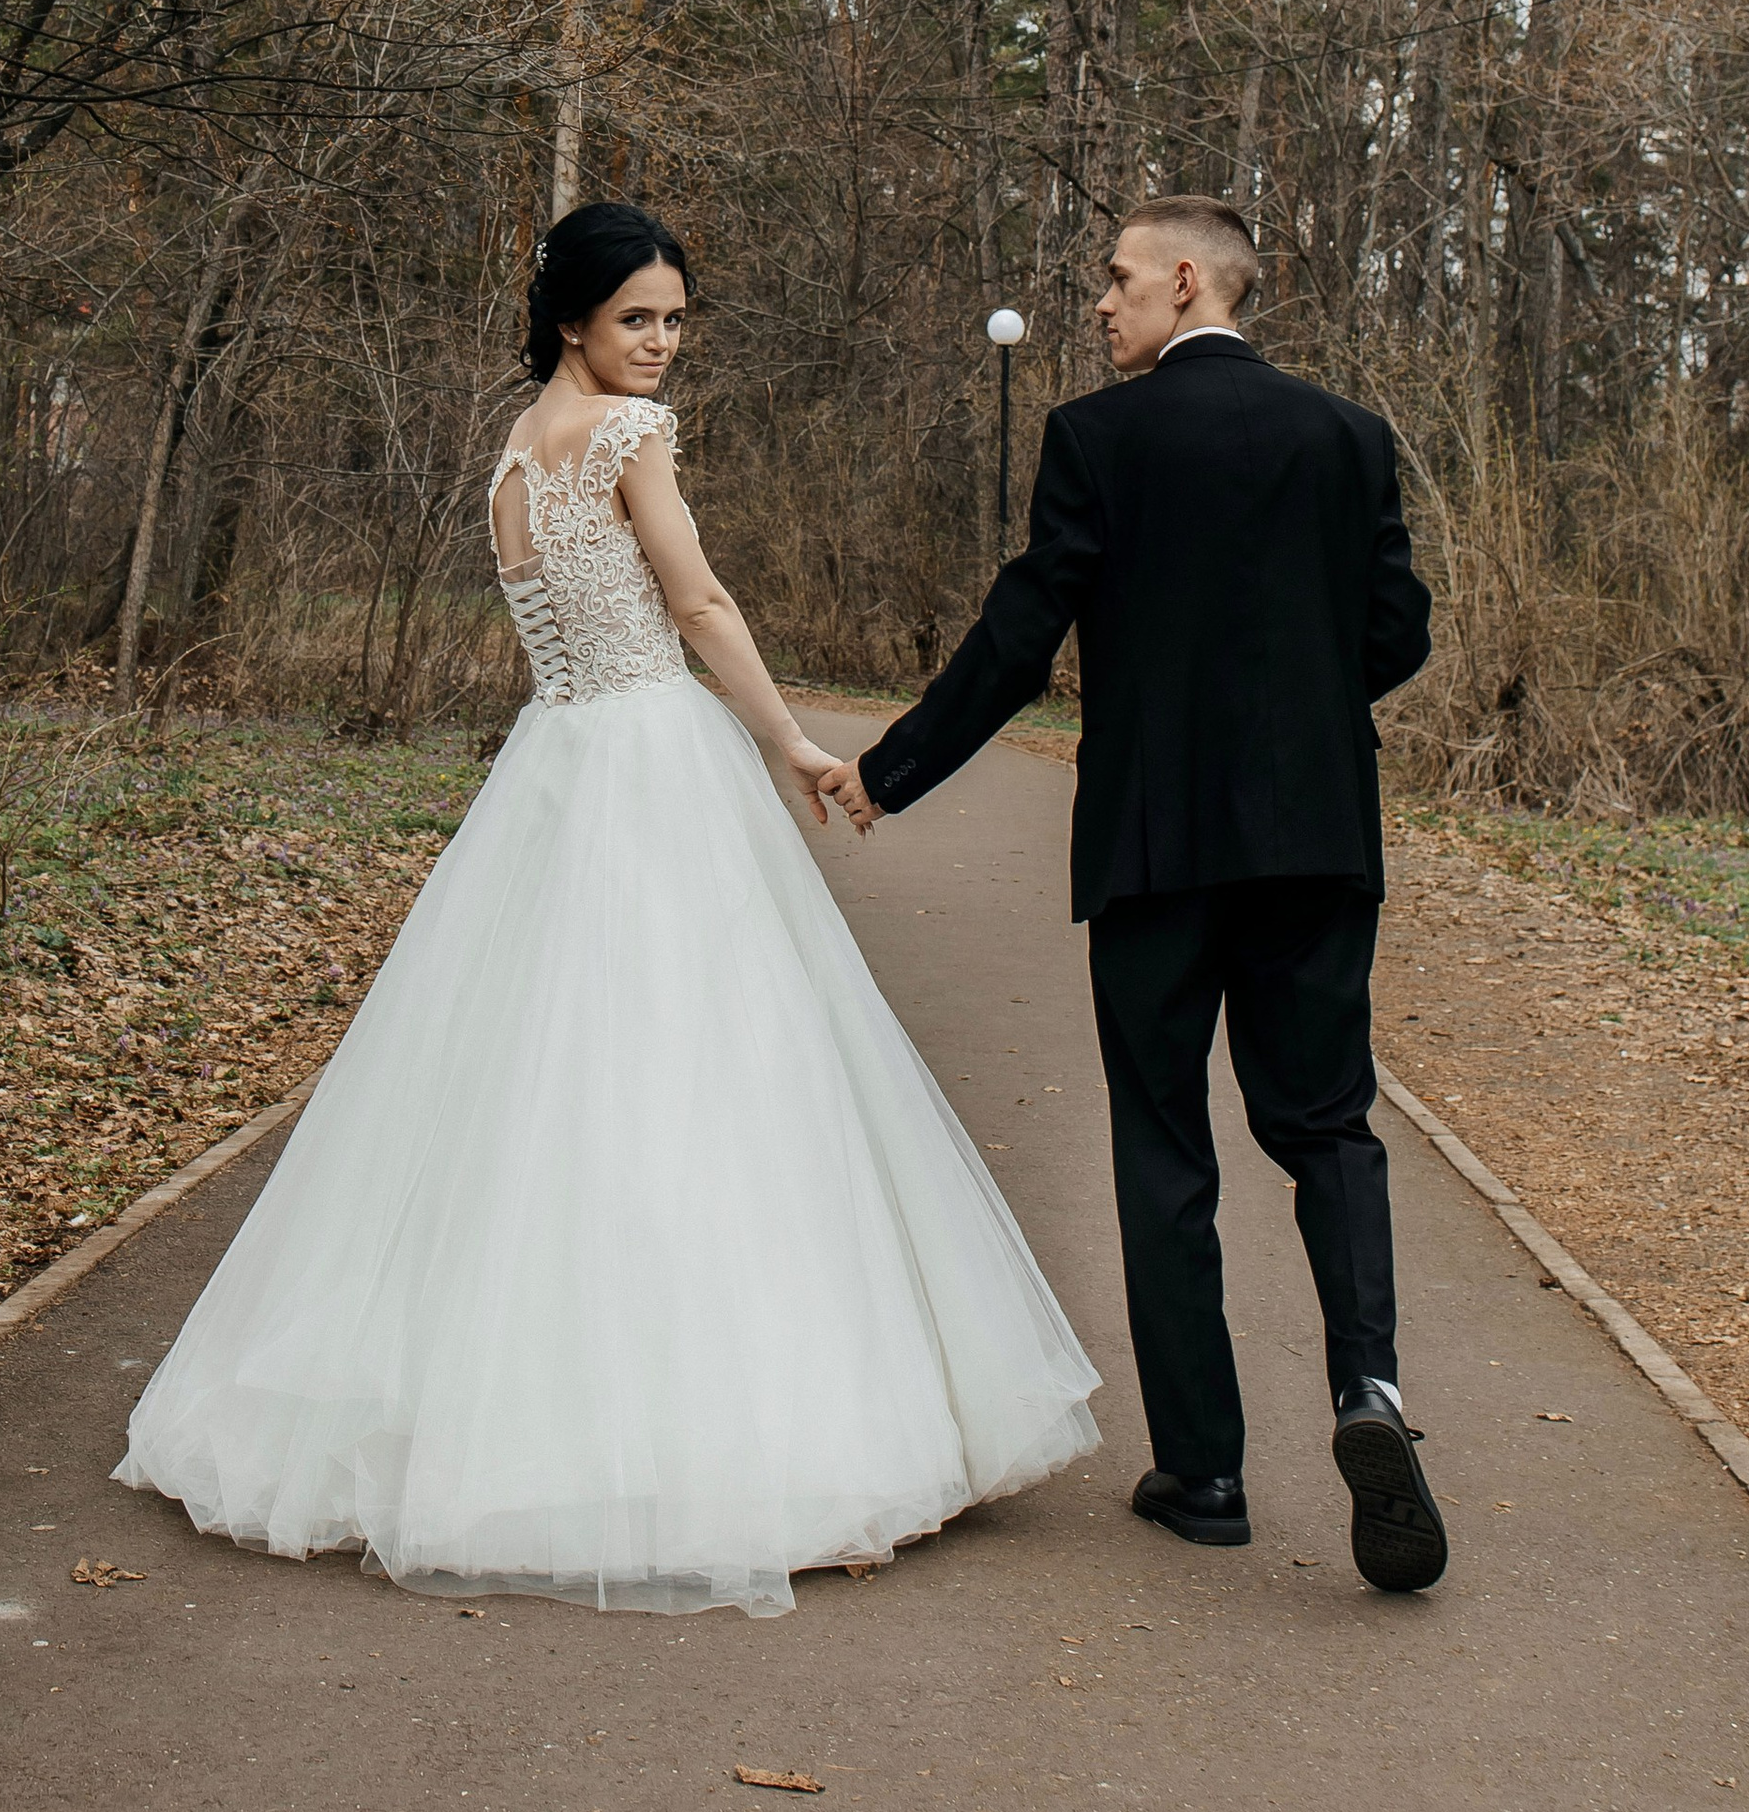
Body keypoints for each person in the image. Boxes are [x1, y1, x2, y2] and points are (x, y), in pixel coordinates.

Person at [117, 199, 1098, 1616]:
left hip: (556, 767)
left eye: (675, 320)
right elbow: (696, 608)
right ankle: (758, 1451)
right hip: (645, 756)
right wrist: (792, 747)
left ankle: (496, 1422)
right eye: (637, 316)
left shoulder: (513, 454)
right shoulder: (630, 439)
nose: (661, 343)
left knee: (540, 1081)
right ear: (571, 318)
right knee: (706, 1073)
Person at [819, 199, 1444, 1593]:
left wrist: (894, 770)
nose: (1099, 306)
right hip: (1319, 837)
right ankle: (1371, 1393)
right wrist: (1293, 715)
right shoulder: (1348, 436)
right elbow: (1393, 632)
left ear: (1180, 279)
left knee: (1167, 1145)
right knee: (1328, 1124)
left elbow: (1024, 630)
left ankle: (1206, 1471)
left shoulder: (1099, 440)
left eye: (1113, 281)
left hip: (1158, 846)